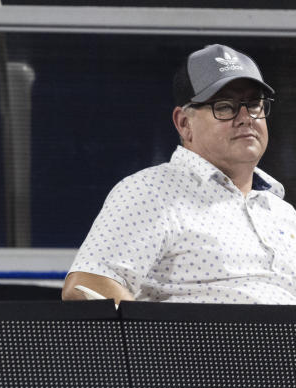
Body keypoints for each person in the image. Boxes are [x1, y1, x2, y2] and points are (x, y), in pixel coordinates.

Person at [63, 44, 296, 304]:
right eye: (225, 106)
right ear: (184, 123)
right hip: (200, 344)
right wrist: (163, 343)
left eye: (254, 105)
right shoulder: (152, 191)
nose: (246, 117)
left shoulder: (282, 213)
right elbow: (87, 285)